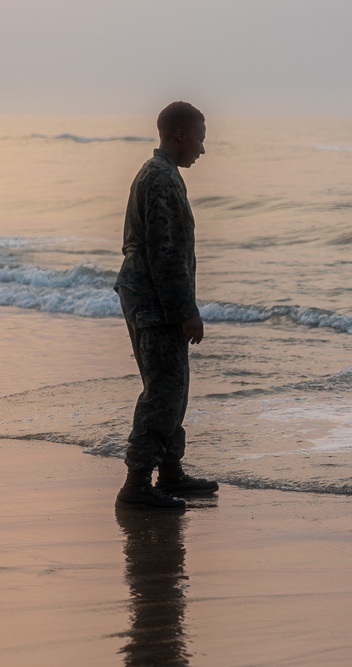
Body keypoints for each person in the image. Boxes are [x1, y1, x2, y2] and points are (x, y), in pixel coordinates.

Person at [114, 101, 218, 511]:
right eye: (199, 139)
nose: (202, 149)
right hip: (154, 302)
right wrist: (186, 311)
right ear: (179, 134)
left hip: (151, 298)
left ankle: (170, 471)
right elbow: (166, 252)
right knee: (164, 390)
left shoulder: (163, 174)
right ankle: (136, 484)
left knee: (174, 387)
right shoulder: (160, 178)